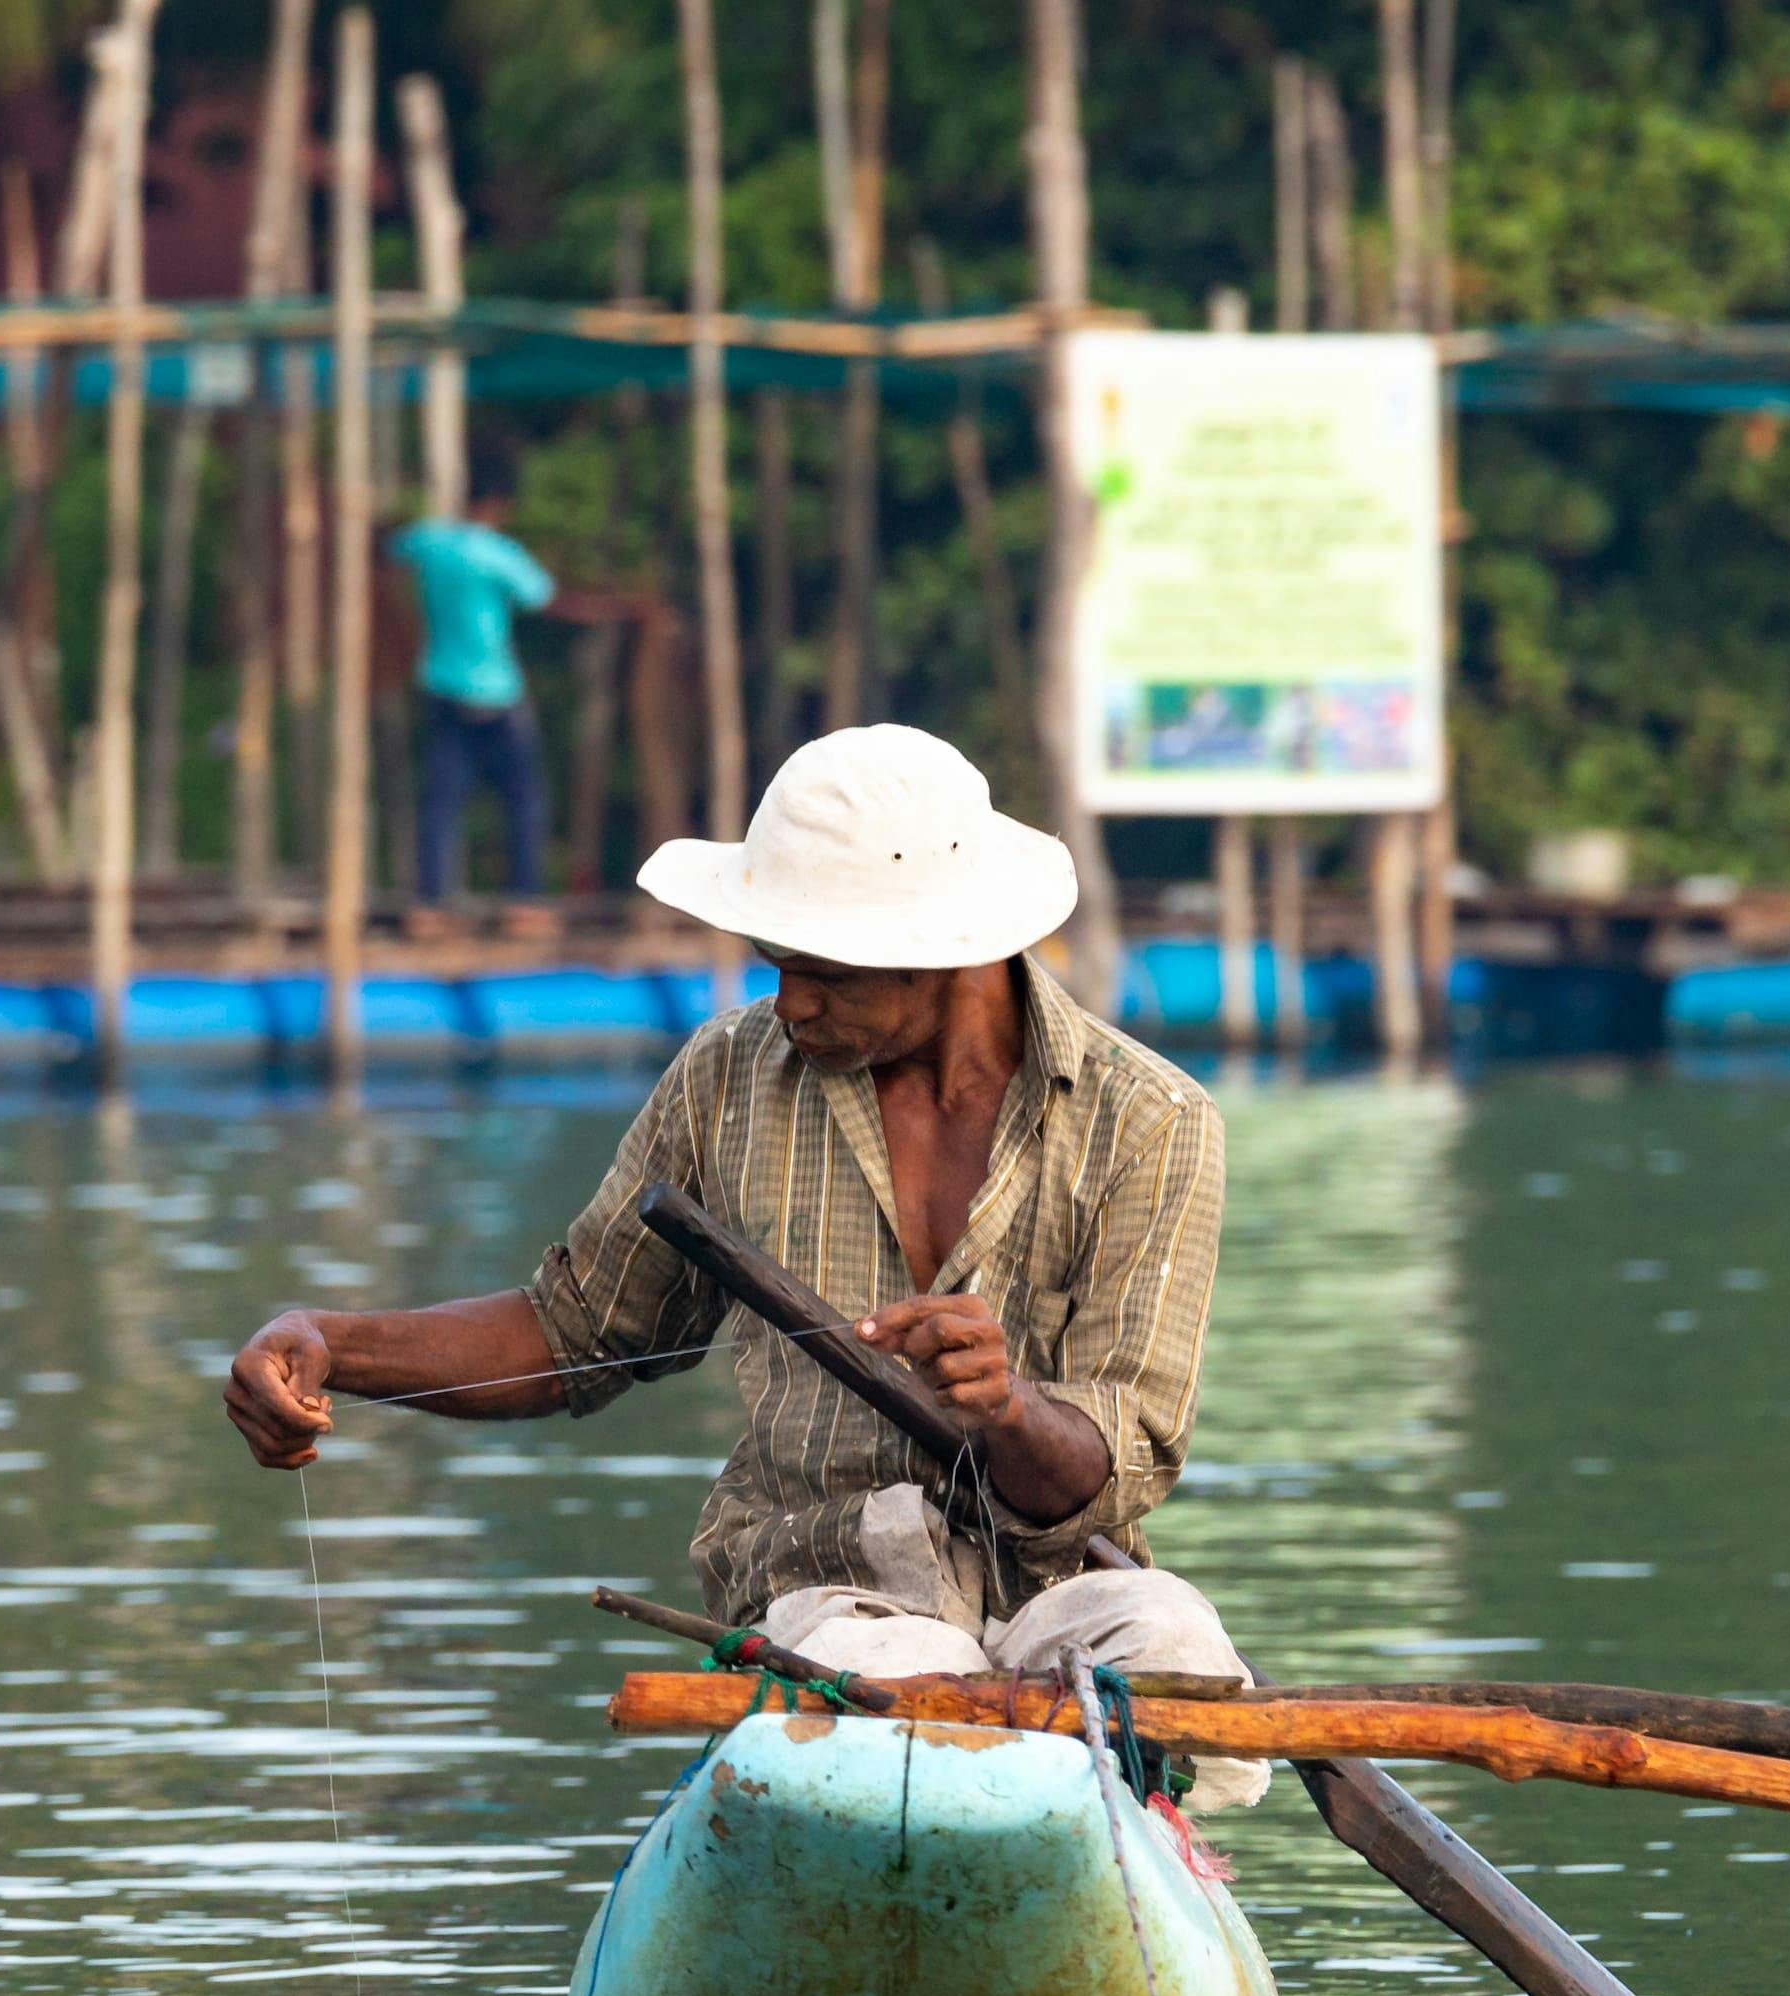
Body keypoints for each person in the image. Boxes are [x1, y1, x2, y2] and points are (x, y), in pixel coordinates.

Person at [221, 722, 1266, 1802]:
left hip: (1065, 1587)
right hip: (833, 1587)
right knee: (895, 1687)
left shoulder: (1148, 1122)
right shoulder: (728, 1078)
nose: (789, 1004)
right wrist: (328, 1344)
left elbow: (1115, 1461)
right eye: (779, 966)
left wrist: (1005, 1410)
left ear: (946, 950)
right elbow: (573, 1334)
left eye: (826, 973)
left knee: (1175, 1642)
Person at [389, 450, 556, 901]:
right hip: (497, 690)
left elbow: (387, 548)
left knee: (441, 804)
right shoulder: (498, 553)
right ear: (500, 503)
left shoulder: (428, 542)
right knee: (523, 801)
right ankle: (525, 899)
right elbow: (540, 595)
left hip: (442, 684)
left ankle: (433, 902)